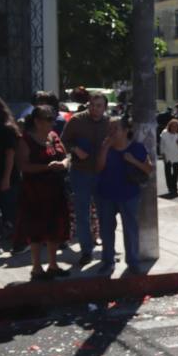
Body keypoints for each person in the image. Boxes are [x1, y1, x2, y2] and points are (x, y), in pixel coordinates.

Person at [14, 106, 72, 280]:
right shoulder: (25, 140)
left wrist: (64, 163)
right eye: (48, 119)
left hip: (55, 189)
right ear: (37, 121)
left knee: (55, 228)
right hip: (34, 191)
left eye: (53, 119)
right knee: (36, 230)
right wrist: (46, 167)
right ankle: (37, 268)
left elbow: (65, 156)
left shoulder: (53, 136)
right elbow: (23, 166)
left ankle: (53, 265)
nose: (52, 122)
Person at [94, 117, 153, 274]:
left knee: (130, 229)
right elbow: (98, 168)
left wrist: (133, 161)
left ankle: (133, 262)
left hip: (129, 195)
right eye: (110, 128)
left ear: (126, 131)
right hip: (105, 194)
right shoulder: (105, 146)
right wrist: (105, 149)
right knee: (106, 230)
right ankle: (108, 261)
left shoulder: (137, 147)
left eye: (115, 128)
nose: (111, 132)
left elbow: (148, 169)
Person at [61, 92, 110, 266]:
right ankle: (86, 251)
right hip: (80, 173)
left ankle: (108, 251)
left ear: (105, 107)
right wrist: (75, 149)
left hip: (103, 174)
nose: (94, 108)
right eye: (92, 104)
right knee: (82, 214)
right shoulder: (76, 121)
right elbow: (63, 141)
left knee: (106, 213)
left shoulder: (110, 123)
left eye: (98, 105)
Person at [0, 97, 22, 253]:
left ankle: (21, 242)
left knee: (11, 213)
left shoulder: (6, 128)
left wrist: (6, 178)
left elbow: (10, 155)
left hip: (7, 178)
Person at [159, 119, 178, 196]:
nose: (174, 128)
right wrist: (162, 154)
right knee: (168, 172)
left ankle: (174, 187)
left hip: (177, 155)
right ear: (169, 126)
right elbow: (162, 144)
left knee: (175, 172)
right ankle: (170, 187)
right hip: (167, 155)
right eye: (172, 126)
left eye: (176, 126)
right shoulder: (164, 133)